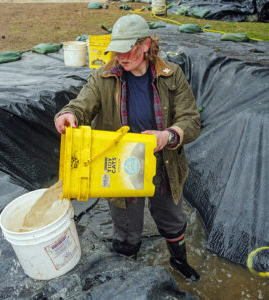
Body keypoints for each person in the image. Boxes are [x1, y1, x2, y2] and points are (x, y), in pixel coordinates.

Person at [55, 14, 201, 281]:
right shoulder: (103, 78)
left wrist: (168, 135)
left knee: (171, 219)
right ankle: (126, 275)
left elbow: (190, 120)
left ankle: (180, 262)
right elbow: (81, 104)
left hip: (163, 162)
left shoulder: (171, 75)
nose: (120, 55)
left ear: (145, 44)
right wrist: (68, 114)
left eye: (127, 48)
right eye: (116, 49)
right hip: (121, 166)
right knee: (126, 230)